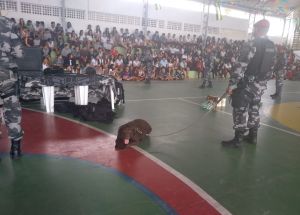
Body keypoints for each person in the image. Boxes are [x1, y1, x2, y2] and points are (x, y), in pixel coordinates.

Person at [221, 19, 276, 147]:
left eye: (255, 27)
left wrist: (232, 84)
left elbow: (241, 66)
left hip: (247, 83)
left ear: (257, 29)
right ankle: (253, 136)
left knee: (240, 108)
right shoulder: (271, 45)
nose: (253, 29)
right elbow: (271, 67)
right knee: (254, 108)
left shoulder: (252, 44)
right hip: (261, 84)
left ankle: (238, 139)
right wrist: (262, 82)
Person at [0, 14, 24, 159]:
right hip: (6, 73)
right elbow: (19, 53)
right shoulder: (9, 24)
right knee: (12, 109)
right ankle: (15, 148)